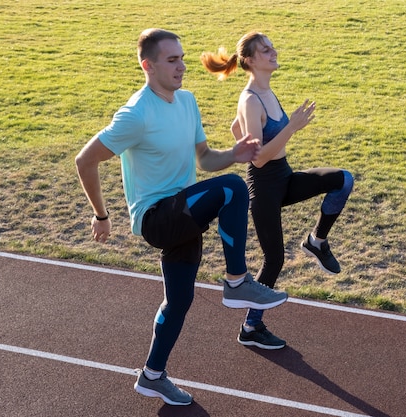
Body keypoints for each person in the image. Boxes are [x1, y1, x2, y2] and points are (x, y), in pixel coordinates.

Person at [75, 28, 288, 406]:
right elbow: (85, 159)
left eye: (183, 58)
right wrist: (101, 215)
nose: (182, 66)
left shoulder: (187, 102)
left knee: (179, 301)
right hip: (157, 217)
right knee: (235, 189)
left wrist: (234, 154)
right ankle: (237, 282)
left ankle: (152, 375)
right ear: (148, 66)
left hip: (185, 212)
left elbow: (204, 160)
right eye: (172, 60)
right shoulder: (135, 114)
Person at [201, 32, 354, 350]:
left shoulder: (264, 92)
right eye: (266, 50)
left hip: (284, 178)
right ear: (251, 60)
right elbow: (258, 160)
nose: (273, 52)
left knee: (343, 180)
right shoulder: (250, 98)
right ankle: (251, 327)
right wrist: (291, 127)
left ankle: (317, 242)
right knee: (274, 260)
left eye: (272, 47)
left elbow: (236, 128)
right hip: (264, 188)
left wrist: (248, 130)